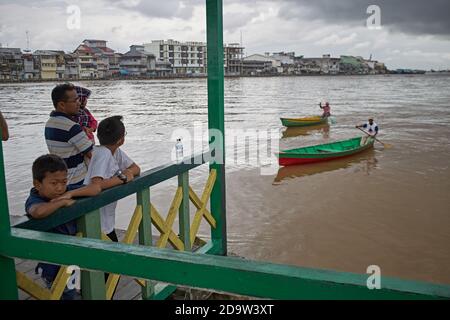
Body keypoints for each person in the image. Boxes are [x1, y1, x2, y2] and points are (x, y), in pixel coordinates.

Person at [25, 154, 101, 299]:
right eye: (54, 183)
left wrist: (70, 193)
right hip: (53, 265)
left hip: (73, 260)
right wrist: (61, 202)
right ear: (37, 184)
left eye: (64, 182)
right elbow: (38, 211)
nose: (60, 188)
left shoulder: (66, 190)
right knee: (65, 295)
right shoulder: (35, 199)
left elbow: (96, 188)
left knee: (76, 292)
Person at [83, 115, 140, 242]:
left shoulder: (114, 151)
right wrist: (123, 178)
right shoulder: (103, 154)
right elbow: (96, 184)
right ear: (121, 139)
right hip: (96, 221)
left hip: (105, 221)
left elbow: (136, 168)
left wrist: (127, 173)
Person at [45, 83, 93, 186]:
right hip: (78, 182)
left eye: (78, 100)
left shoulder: (49, 123)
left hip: (63, 181)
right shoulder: (71, 127)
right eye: (75, 100)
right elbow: (93, 156)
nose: (79, 103)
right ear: (62, 105)